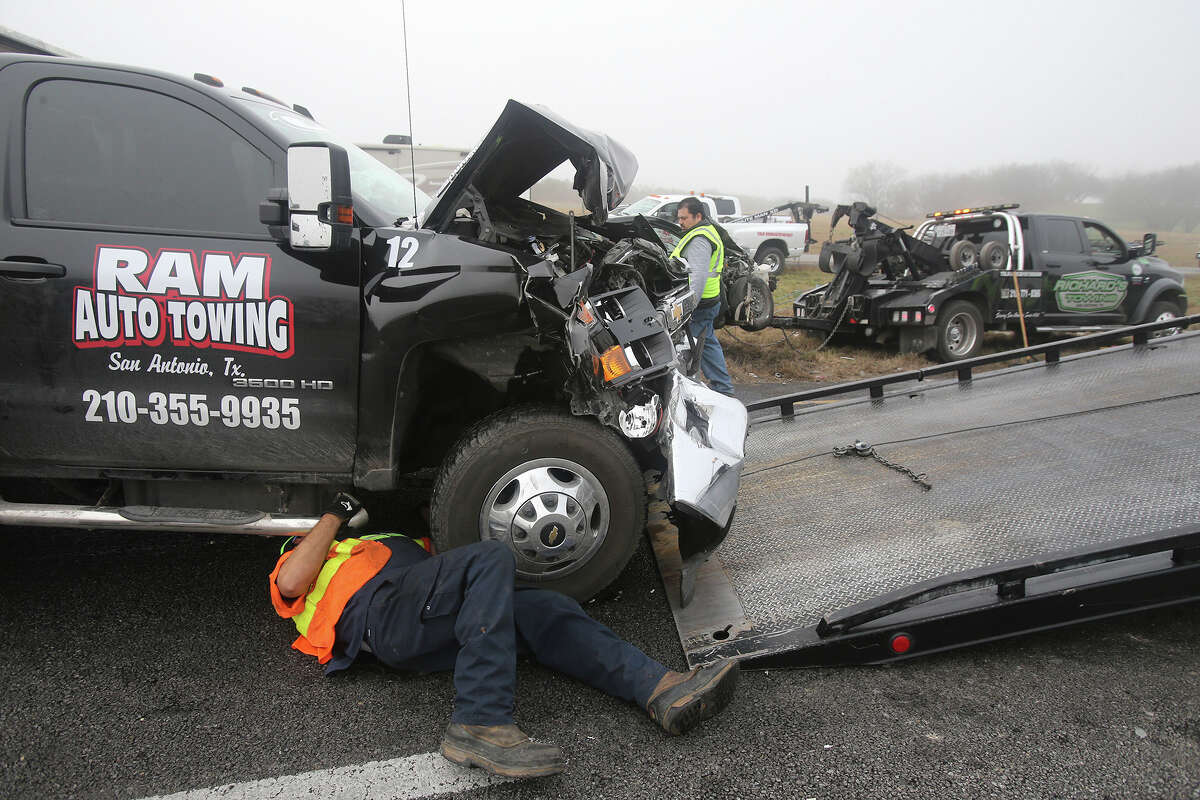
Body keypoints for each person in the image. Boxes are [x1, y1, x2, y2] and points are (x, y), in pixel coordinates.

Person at [269, 493, 740, 779]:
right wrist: (335, 514)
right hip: (382, 619)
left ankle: (658, 689)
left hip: (428, 629)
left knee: (543, 609)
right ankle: (479, 720)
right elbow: (291, 584)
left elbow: (456, 574)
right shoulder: (312, 553)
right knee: (491, 557)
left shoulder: (398, 544)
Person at [671, 197, 736, 397]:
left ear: (698, 216)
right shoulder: (705, 231)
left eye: (684, 218)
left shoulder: (699, 239)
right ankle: (723, 388)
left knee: (688, 349)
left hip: (699, 304)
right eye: (679, 218)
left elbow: (697, 277)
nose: (680, 222)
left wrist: (687, 307)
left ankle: (690, 392)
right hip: (709, 300)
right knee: (706, 343)